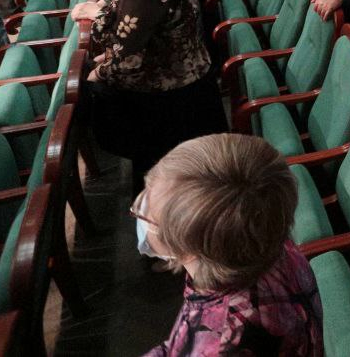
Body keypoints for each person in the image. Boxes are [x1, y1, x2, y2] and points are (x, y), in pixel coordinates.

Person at [72, 0, 226, 192]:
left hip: (167, 103)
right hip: (192, 86)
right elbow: (151, 32)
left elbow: (126, 55)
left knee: (167, 187)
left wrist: (98, 73)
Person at [138, 134, 323, 356]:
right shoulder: (263, 238)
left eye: (148, 211)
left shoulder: (222, 341)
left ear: (188, 247)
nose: (139, 210)